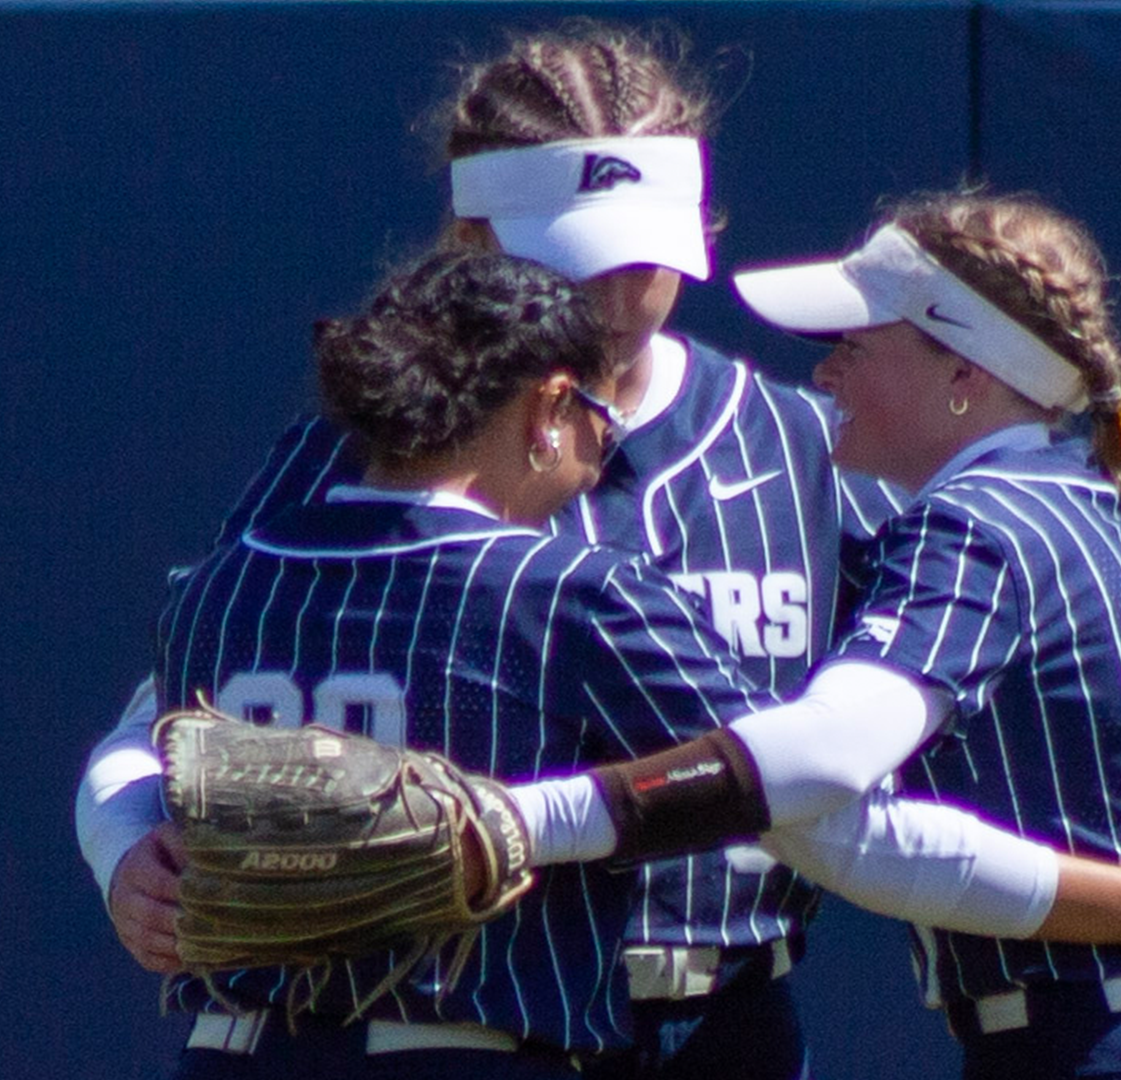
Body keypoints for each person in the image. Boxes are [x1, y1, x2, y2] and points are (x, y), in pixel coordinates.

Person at [141, 246, 1121, 1079]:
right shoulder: (567, 591)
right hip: (465, 1051)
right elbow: (823, 815)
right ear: (542, 412)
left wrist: (118, 858)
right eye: (592, 409)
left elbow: (135, 779)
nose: (608, 444)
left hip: (229, 1052)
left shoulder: (218, 595)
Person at [78, 25, 891, 1080]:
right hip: (464, 1010)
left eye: (641, 258)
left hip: (716, 1010)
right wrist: (125, 844)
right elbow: (172, 713)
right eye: (565, 254)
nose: (605, 297)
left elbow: (925, 701)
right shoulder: (370, 445)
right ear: (469, 239)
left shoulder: (795, 442)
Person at [502, 189, 1121, 1080]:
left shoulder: (981, 523)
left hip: (1100, 1045)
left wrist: (517, 823)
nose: (823, 376)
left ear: (966, 377)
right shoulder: (1087, 502)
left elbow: (823, 762)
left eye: (855, 346)